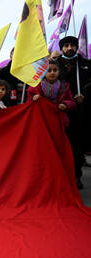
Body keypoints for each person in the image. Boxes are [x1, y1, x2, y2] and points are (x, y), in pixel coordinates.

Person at [56, 36, 91, 189]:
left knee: (77, 145)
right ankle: (59, 176)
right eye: (66, 45)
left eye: (72, 45)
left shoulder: (86, 65)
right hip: (60, 111)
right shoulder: (54, 65)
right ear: (62, 48)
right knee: (59, 145)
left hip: (81, 113)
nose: (69, 48)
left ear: (77, 47)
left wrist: (85, 95)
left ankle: (76, 175)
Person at [27, 60, 76, 127]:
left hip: (58, 118)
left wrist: (65, 104)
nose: (52, 73)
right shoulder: (36, 86)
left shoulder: (65, 86)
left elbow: (72, 102)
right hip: (41, 118)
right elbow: (28, 102)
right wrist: (33, 98)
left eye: (55, 70)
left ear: (59, 72)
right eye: (49, 71)